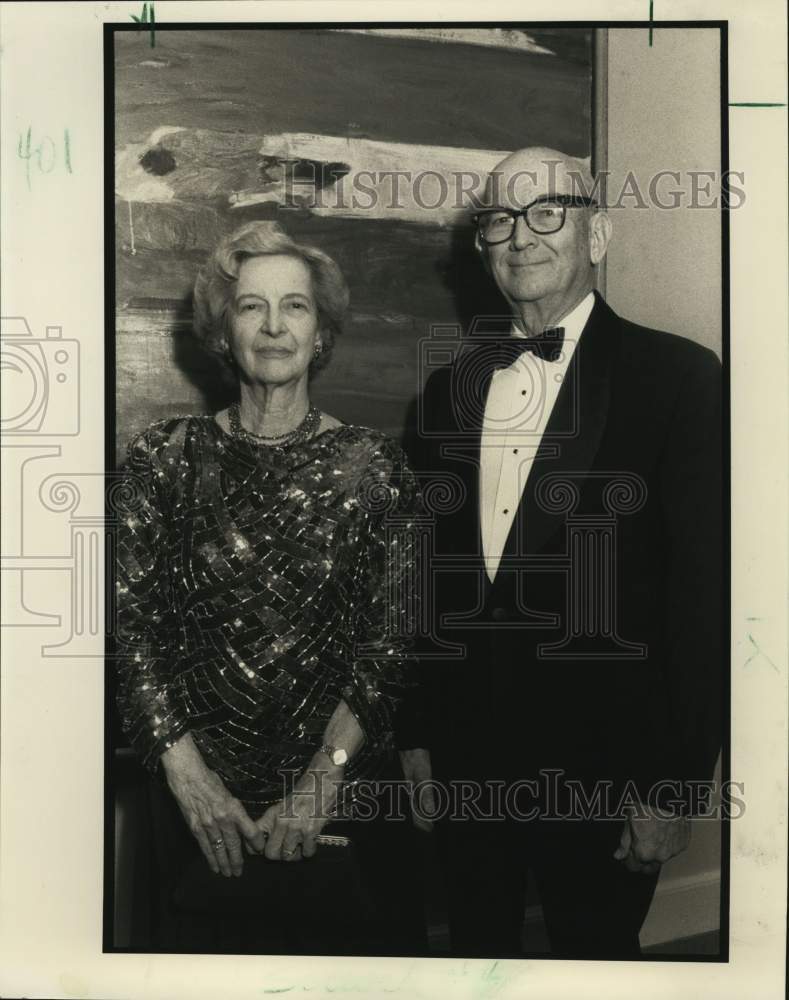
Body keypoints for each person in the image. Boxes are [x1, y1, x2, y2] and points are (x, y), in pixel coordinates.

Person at [414, 147, 722, 958]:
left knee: (596, 968)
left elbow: (702, 597)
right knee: (473, 964)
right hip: (466, 765)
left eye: (547, 210)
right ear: (481, 246)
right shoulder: (446, 389)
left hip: (609, 773)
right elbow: (424, 584)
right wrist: (416, 737)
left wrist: (674, 785)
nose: (521, 235)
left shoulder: (680, 378)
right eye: (499, 218)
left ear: (598, 235)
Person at [114, 220, 431, 955]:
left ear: (321, 333)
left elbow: (393, 644)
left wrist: (323, 782)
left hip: (344, 797)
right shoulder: (163, 460)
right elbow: (130, 635)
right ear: (223, 331)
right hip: (196, 805)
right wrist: (190, 780)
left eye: (295, 306)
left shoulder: (374, 466)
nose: (274, 325)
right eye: (251, 306)